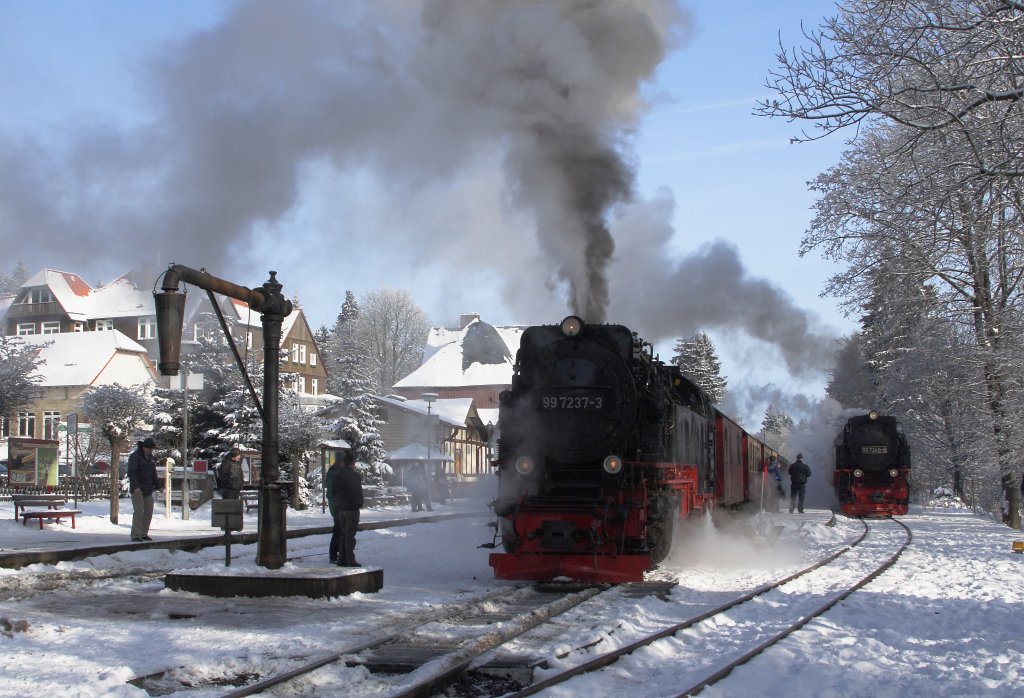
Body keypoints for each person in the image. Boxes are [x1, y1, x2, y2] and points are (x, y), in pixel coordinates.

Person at [331, 451, 364, 567]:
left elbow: (334, 491)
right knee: (350, 536)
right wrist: (359, 503)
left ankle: (341, 559)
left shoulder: (338, 474)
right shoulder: (354, 475)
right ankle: (350, 560)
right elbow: (357, 492)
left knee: (343, 534)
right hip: (351, 509)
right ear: (352, 462)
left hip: (341, 509)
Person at [127, 438, 159, 542]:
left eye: (152, 449)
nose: (151, 451)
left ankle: (144, 533)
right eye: (149, 449)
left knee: (148, 511)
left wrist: (158, 485)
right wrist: (135, 486)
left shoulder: (150, 458)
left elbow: (153, 473)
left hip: (148, 488)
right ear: (144, 447)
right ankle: (136, 534)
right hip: (137, 488)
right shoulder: (135, 456)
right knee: (139, 511)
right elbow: (132, 472)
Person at [324, 453, 344, 564]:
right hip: (337, 507)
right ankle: (333, 555)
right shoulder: (334, 473)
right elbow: (333, 493)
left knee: (340, 530)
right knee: (338, 531)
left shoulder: (335, 472)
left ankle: (337, 554)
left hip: (338, 505)